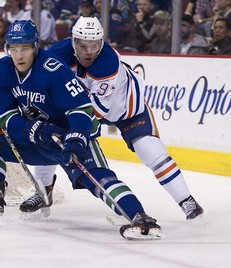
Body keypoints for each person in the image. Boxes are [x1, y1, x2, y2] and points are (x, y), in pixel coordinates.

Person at [0, 19, 162, 240]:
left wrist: (76, 136)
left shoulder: (53, 69)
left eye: (24, 48)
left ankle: (141, 217)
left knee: (99, 180)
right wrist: (29, 127)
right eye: (13, 49)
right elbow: (5, 115)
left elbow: (81, 109)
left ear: (35, 47)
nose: (19, 56)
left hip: (66, 140)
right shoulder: (2, 71)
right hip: (35, 141)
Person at [21, 16, 204, 221]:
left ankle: (187, 201)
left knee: (151, 152)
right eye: (83, 45)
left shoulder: (107, 62)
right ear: (73, 41)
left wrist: (72, 133)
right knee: (49, 134)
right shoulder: (55, 56)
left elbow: (95, 112)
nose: (89, 52)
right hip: (85, 107)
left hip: (127, 110)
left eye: (95, 45)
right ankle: (43, 191)